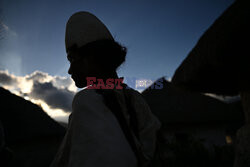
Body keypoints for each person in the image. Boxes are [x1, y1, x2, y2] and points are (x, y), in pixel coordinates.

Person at [50, 11, 161, 167]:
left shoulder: (89, 100)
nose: (69, 70)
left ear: (91, 58)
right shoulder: (135, 99)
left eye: (72, 59)